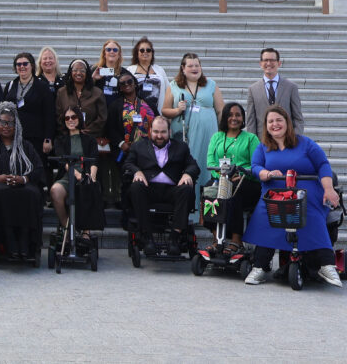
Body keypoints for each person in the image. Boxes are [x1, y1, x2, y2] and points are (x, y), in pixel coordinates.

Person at [243, 106, 342, 287]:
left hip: (306, 192)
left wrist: (328, 188)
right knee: (266, 215)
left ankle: (326, 264)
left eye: (279, 120)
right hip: (275, 193)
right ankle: (260, 266)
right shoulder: (263, 147)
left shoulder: (305, 143)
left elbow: (322, 165)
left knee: (309, 213)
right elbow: (256, 166)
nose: (275, 124)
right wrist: (264, 173)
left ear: (287, 122)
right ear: (266, 126)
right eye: (270, 121)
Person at [123, 116, 199, 257]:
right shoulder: (139, 146)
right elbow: (128, 163)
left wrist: (187, 174)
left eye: (163, 132)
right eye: (156, 131)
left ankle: (174, 239)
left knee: (186, 189)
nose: (159, 136)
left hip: (172, 189)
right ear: (150, 131)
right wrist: (137, 171)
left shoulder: (181, 147)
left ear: (169, 131)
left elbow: (193, 166)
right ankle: (148, 238)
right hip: (148, 188)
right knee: (135, 187)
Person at [0, 101, 45, 259]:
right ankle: (9, 239)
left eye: (10, 123)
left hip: (23, 186)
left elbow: (39, 169)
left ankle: (24, 239)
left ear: (17, 126)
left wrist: (23, 178)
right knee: (1, 194)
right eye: (3, 122)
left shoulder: (26, 146)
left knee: (32, 194)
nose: (6, 126)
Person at [163, 52, 223, 198]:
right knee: (186, 166)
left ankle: (206, 208)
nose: (194, 68)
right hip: (184, 133)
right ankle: (187, 208)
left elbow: (221, 110)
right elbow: (164, 110)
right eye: (190, 66)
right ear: (183, 68)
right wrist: (177, 110)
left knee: (206, 165)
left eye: (197, 65)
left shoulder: (211, 85)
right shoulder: (174, 86)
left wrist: (222, 133)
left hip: (208, 134)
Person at [204, 102, 261, 252]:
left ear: (243, 119)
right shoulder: (217, 137)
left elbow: (256, 165)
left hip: (246, 181)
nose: (234, 118)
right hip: (221, 178)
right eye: (230, 115)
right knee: (208, 191)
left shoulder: (251, 138)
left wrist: (239, 174)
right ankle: (217, 238)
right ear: (225, 118)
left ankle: (236, 240)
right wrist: (223, 175)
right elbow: (210, 162)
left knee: (234, 191)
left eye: (238, 115)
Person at [51, 106, 100, 233]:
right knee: (55, 191)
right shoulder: (60, 140)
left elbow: (94, 160)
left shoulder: (89, 139)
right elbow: (64, 162)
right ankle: (67, 228)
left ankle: (86, 232)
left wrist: (91, 177)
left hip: (86, 174)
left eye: (73, 117)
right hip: (68, 175)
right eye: (67, 118)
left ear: (79, 118)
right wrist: (77, 175)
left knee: (88, 186)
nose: (70, 120)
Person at [3, 51, 55, 169]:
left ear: (32, 65)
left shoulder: (42, 86)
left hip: (35, 137)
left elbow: (49, 114)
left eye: (25, 64)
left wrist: (48, 138)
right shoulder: (10, 85)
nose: (22, 67)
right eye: (18, 64)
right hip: (13, 136)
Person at [245, 47, 304, 137]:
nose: (269, 63)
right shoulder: (253, 89)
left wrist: (295, 139)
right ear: (260, 64)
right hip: (263, 141)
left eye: (272, 60)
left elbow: (298, 118)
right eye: (265, 60)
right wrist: (253, 143)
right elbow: (251, 121)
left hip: (286, 141)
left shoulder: (291, 87)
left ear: (279, 63)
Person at [108, 74, 155, 163]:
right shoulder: (115, 106)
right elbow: (110, 128)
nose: (126, 84)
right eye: (122, 83)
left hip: (148, 150)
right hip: (127, 152)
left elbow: (157, 121)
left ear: (135, 84)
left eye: (129, 81)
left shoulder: (148, 103)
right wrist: (121, 143)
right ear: (120, 88)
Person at [55, 59, 107, 139]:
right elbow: (58, 116)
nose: (78, 73)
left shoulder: (97, 93)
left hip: (91, 138)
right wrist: (70, 132)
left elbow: (102, 118)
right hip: (67, 138)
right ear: (70, 72)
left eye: (82, 70)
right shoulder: (62, 92)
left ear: (87, 73)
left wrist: (86, 132)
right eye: (75, 70)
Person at [127, 37, 168, 115]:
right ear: (137, 53)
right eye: (142, 50)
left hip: (157, 114)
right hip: (137, 113)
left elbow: (168, 91)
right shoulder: (130, 70)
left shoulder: (160, 70)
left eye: (148, 50)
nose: (145, 52)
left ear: (152, 53)